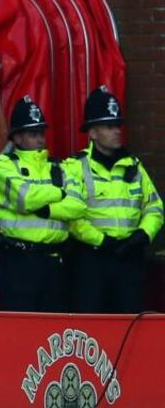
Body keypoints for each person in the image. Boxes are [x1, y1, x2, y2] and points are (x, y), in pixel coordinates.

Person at [66, 86, 162, 313]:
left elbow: (154, 206)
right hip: (92, 261)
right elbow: (71, 217)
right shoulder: (75, 167)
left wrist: (142, 235)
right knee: (93, 332)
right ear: (92, 132)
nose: (117, 131)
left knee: (128, 327)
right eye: (109, 126)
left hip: (129, 259)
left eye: (117, 125)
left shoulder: (134, 167)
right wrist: (102, 241)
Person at [0, 95, 84, 313]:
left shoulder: (59, 167)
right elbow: (25, 199)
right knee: (19, 331)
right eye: (33, 134)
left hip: (54, 263)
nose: (40, 139)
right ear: (18, 138)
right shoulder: (4, 167)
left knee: (53, 337)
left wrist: (47, 208)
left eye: (41, 133)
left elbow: (78, 205)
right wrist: (59, 192)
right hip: (19, 262)